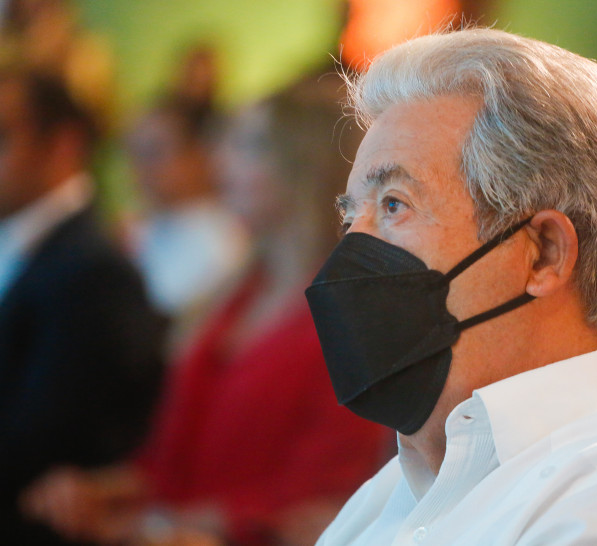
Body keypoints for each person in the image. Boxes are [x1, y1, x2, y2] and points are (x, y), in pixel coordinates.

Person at [302, 28, 597, 544]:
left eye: (394, 204)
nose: (350, 252)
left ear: (544, 253)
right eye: (350, 217)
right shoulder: (390, 496)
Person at [22, 74, 391, 546]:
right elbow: (175, 461)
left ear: (308, 164)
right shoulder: (234, 292)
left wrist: (162, 524)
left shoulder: (351, 316)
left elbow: (322, 494)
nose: (223, 162)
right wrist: (103, 493)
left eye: (253, 146)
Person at [0, 69, 166, 544]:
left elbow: (43, 446)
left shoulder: (91, 270)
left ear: (63, 145)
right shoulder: (36, 248)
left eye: (2, 137)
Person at [125, 97, 248, 342]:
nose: (141, 169)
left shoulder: (224, 244)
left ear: (200, 155)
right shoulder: (139, 232)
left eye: (154, 153)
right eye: (135, 154)